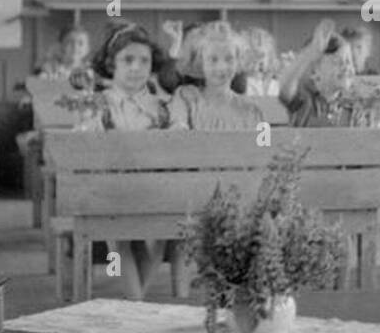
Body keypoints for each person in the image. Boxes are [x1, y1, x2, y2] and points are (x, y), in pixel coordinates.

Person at [86, 23, 171, 300]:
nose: (136, 67)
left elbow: (180, 144)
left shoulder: (162, 107)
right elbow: (84, 145)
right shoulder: (99, 104)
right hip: (111, 192)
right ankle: (136, 302)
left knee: (163, 230)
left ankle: (136, 304)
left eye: (144, 61)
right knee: (117, 230)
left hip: (154, 190)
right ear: (112, 65)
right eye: (128, 60)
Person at [168, 22, 263, 131]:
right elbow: (176, 135)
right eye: (213, 59)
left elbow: (265, 144)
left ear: (238, 61)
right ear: (200, 63)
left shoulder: (252, 109)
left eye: (229, 59)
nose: (221, 67)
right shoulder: (186, 97)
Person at [279, 18, 357, 127]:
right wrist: (312, 51)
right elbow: (285, 89)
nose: (346, 67)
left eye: (349, 61)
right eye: (337, 62)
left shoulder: (353, 106)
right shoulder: (304, 101)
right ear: (314, 72)